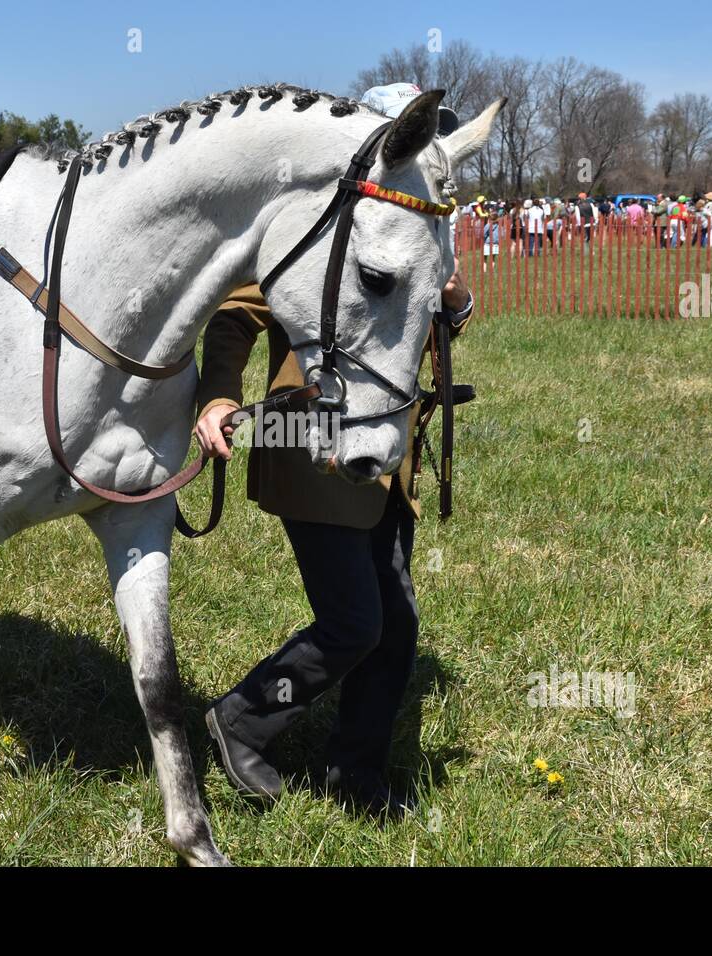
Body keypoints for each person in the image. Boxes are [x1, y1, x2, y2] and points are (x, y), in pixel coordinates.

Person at [196, 88, 475, 817]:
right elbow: (235, 314)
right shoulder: (317, 222)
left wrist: (453, 301)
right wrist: (219, 396)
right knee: (355, 622)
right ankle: (241, 721)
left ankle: (355, 771)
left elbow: (416, 333)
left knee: (396, 624)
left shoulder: (413, 222)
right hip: (312, 441)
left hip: (387, 451)